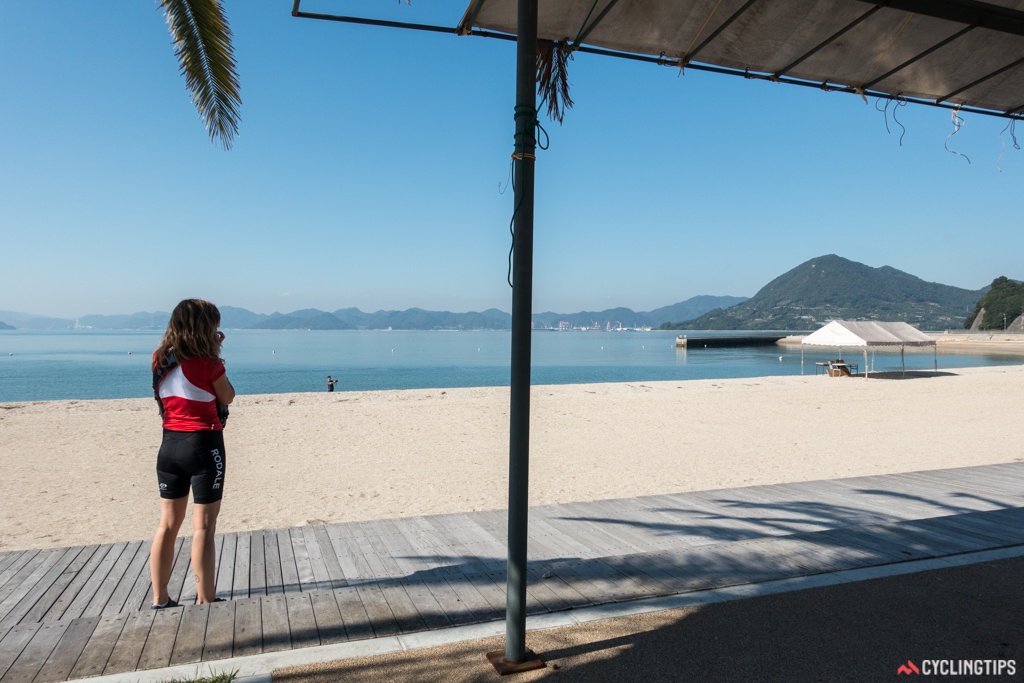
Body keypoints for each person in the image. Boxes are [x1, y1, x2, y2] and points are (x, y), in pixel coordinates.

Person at [149, 299, 235, 608]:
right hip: (204, 445)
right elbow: (228, 395)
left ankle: (160, 598)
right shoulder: (208, 363)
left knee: (167, 525)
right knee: (203, 528)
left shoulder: (159, 358)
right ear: (206, 328)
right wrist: (214, 353)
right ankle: (205, 598)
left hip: (169, 445)